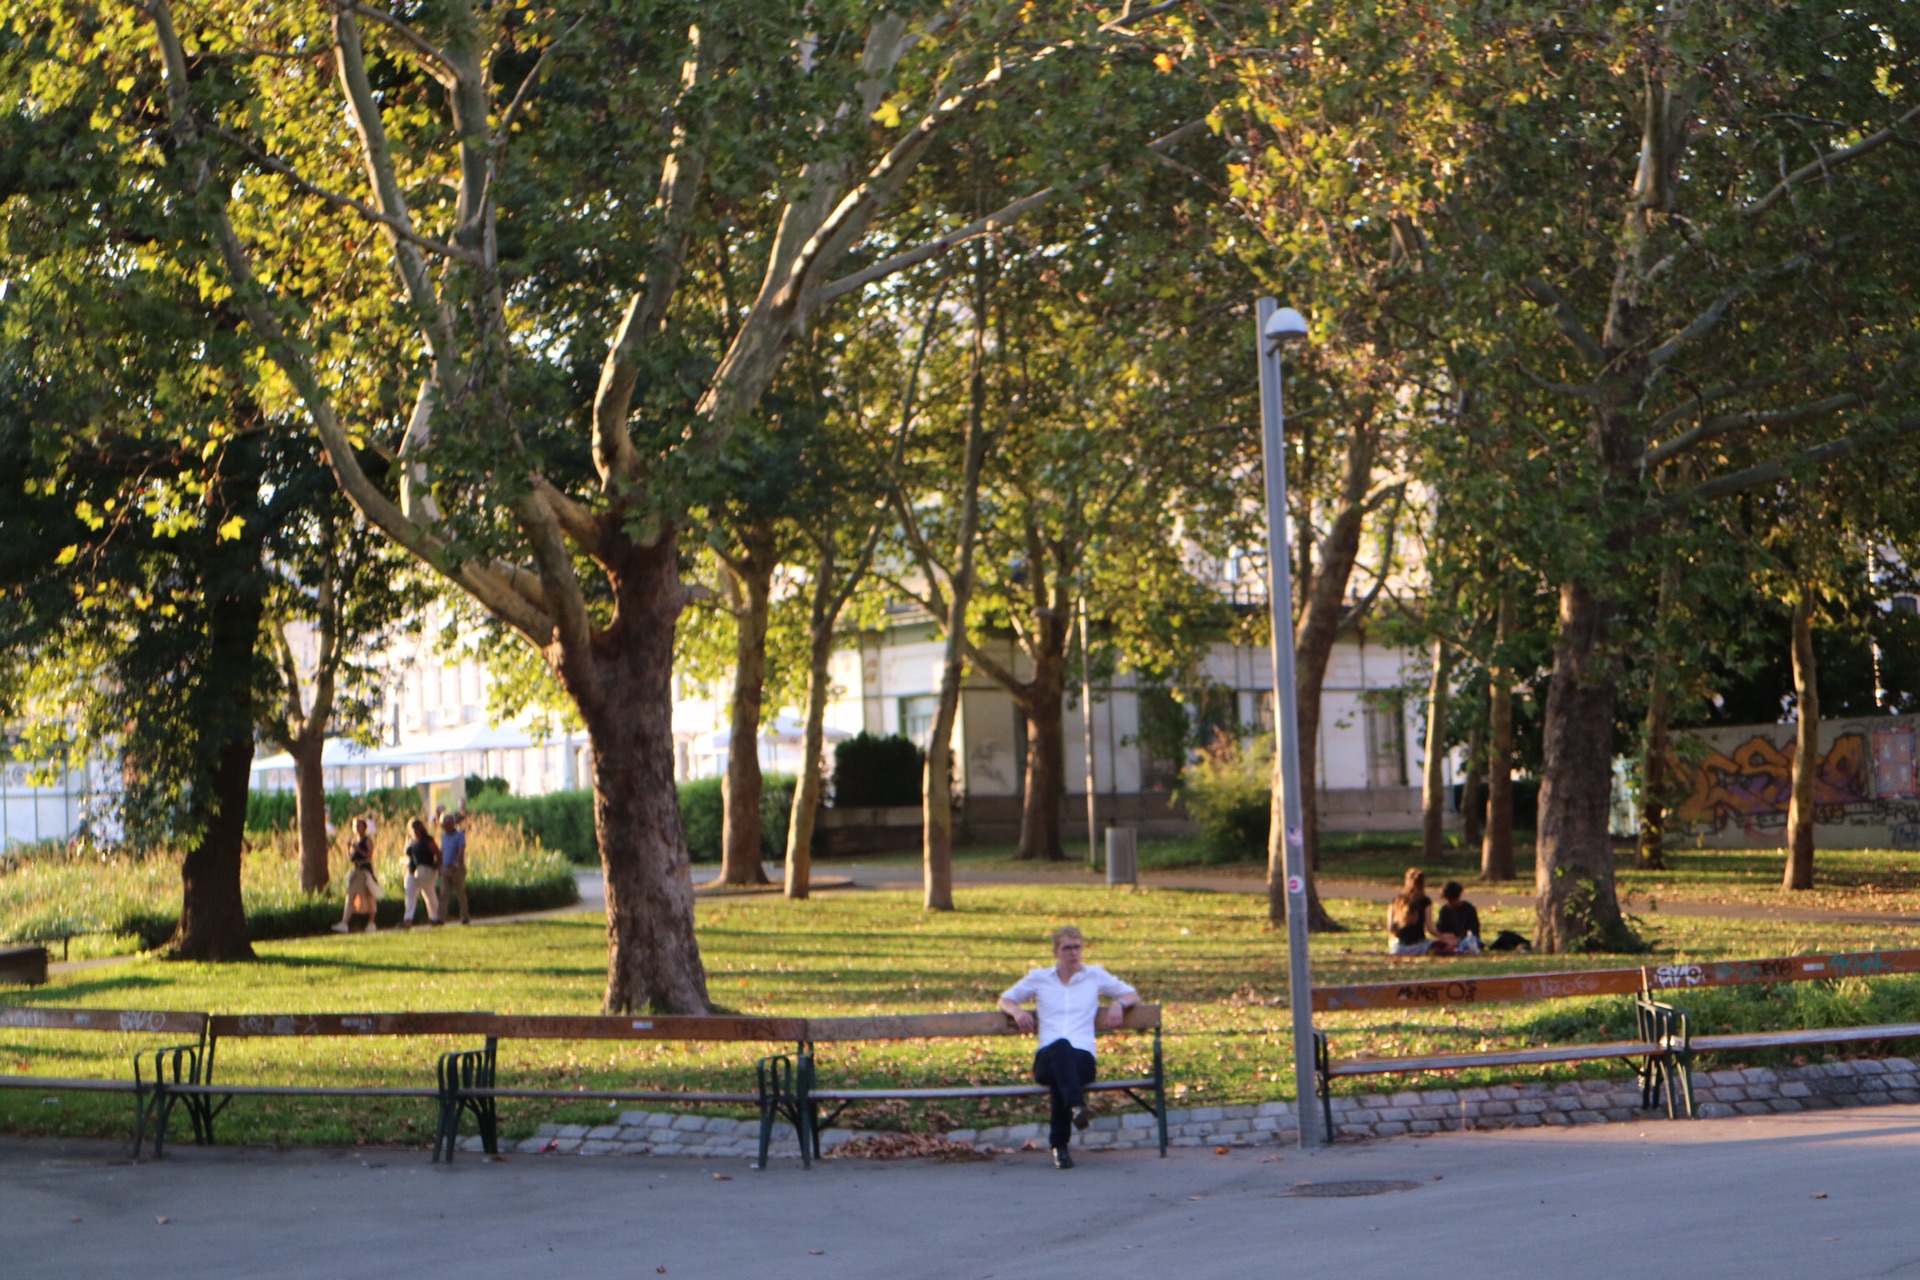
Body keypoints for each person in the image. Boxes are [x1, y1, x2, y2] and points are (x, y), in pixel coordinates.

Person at [997, 926, 1140, 1170]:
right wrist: (1017, 1011)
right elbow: (1005, 999)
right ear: (1056, 951)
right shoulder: (1039, 978)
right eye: (1067, 948)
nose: (1074, 953)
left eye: (1077, 947)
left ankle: (1060, 1146)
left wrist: (1119, 1003)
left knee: (1062, 1074)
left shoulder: (1094, 975)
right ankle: (1076, 1106)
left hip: (1082, 1059)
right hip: (1046, 1059)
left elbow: (1133, 995)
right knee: (1060, 1048)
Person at [1387, 867, 1452, 956]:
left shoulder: (1396, 901)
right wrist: (1443, 936)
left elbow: (1390, 927)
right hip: (1419, 946)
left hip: (1398, 947)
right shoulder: (1425, 901)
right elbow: (1430, 928)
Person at [331, 817, 380, 934]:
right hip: (356, 871)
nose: (356, 828)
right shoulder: (356, 841)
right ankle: (345, 922)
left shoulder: (367, 841)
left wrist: (356, 848)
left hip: (365, 872)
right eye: (355, 826)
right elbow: (352, 858)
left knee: (369, 896)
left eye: (359, 826)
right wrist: (349, 848)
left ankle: (370, 922)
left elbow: (369, 855)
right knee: (351, 895)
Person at [400, 817, 442, 929]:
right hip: (411, 871)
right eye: (412, 828)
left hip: (425, 870)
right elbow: (406, 854)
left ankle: (435, 917)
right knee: (410, 895)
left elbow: (437, 853)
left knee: (429, 894)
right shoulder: (410, 840)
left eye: (416, 828)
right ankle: (407, 919)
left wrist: (437, 867)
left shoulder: (427, 840)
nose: (414, 830)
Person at [434, 809, 470, 926]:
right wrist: (439, 864)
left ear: (451, 824)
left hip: (456, 868)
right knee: (444, 893)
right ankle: (440, 917)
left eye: (446, 825)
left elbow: (461, 851)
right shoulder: (444, 836)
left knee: (460, 893)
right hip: (445, 868)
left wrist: (456, 864)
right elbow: (442, 850)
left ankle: (464, 916)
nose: (444, 827)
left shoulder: (459, 835)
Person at [1436, 881, 1483, 954]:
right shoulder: (1444, 911)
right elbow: (1441, 930)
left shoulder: (1468, 909)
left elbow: (1473, 931)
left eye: (1451, 900)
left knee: (1468, 942)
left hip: (1466, 939)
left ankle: (1458, 949)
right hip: (1450, 939)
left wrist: (1458, 939)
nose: (1449, 903)